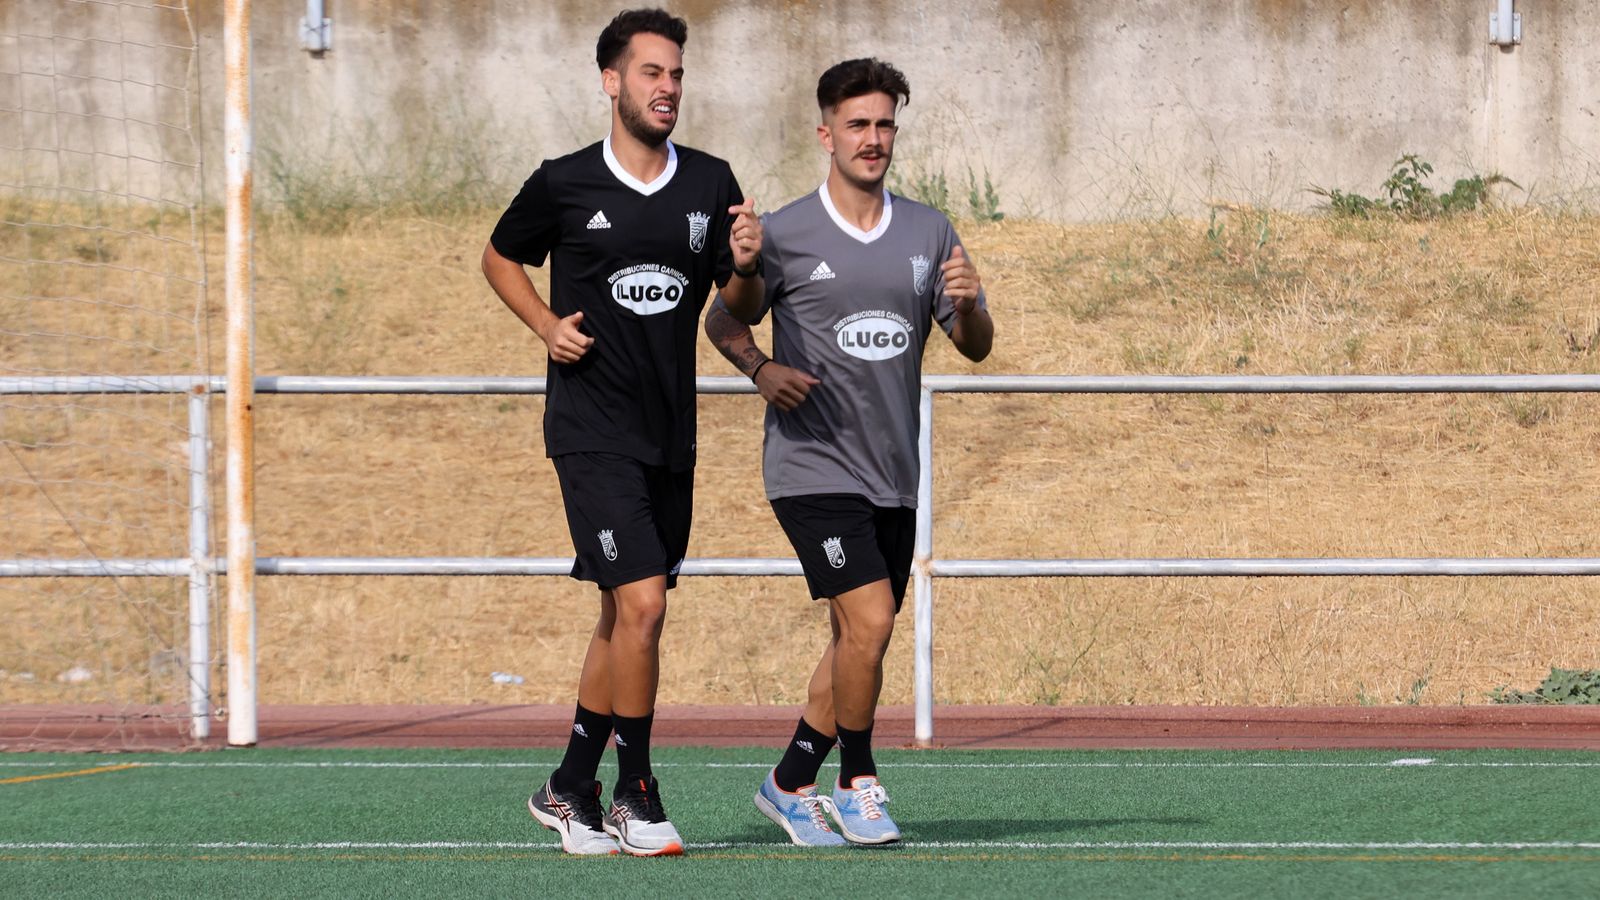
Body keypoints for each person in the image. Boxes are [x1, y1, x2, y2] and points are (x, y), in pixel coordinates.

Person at [481, 7, 763, 857]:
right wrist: (542, 325)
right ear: (611, 81)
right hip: (590, 428)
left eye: (676, 73)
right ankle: (636, 792)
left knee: (623, 614)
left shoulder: (710, 183)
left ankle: (568, 787)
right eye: (651, 72)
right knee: (642, 606)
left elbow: (738, 307)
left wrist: (747, 268)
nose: (668, 88)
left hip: (670, 434)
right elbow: (499, 256)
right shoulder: (565, 182)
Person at [705, 57, 992, 846]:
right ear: (826, 133)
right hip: (811, 466)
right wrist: (761, 366)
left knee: (855, 637)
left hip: (894, 475)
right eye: (858, 125)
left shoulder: (930, 231)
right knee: (868, 621)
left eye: (885, 124)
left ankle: (790, 782)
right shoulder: (785, 233)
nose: (874, 139)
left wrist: (965, 308)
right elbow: (726, 322)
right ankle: (859, 779)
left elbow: (973, 345)